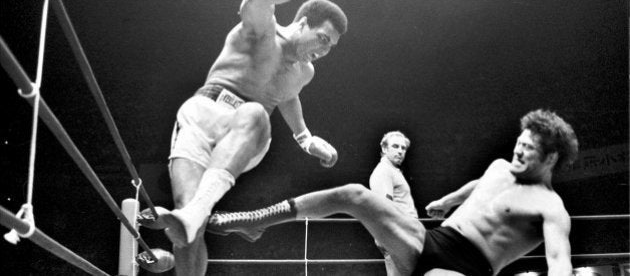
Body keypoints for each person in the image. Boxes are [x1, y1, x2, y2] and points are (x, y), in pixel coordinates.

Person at [139, 0, 383, 275]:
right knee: (188, 225)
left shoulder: (305, 72)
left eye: (331, 47)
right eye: (323, 39)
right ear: (303, 22)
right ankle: (194, 215)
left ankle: (198, 210)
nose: (325, 51)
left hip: (246, 132)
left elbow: (287, 95)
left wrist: (304, 137)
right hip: (202, 114)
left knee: (254, 112)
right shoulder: (261, 32)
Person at [206, 109, 579, 276]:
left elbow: (560, 261)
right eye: (519, 141)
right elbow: (478, 186)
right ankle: (258, 222)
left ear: (550, 158)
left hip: (466, 268)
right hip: (428, 239)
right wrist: (447, 201)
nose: (518, 149)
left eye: (528, 149)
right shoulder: (501, 166)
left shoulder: (551, 208)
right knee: (353, 195)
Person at [369, 131, 418, 275]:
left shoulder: (392, 171)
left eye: (403, 148)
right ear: (384, 149)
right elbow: (385, 206)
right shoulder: (384, 171)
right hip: (398, 235)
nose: (400, 151)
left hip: (403, 234)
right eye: (395, 146)